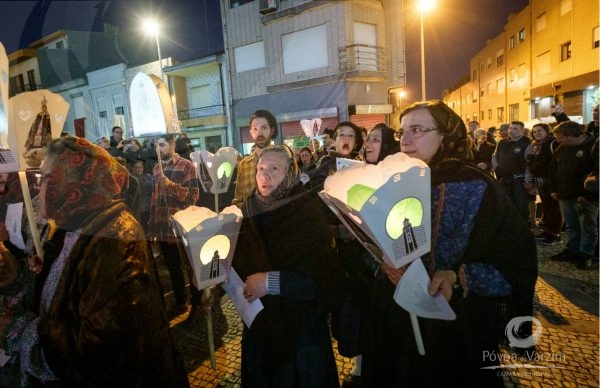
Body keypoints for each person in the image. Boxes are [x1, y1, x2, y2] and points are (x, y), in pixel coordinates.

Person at [360, 100, 537, 387]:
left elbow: (516, 261)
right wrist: (383, 262)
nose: (405, 139)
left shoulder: (478, 186)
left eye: (417, 129)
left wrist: (458, 276)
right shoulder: (393, 182)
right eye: (402, 131)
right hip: (397, 318)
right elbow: (376, 241)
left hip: (457, 326)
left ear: (446, 135)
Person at [15, 136, 190, 387]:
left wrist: (26, 332)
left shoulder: (116, 241)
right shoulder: (75, 224)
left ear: (71, 182)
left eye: (44, 178)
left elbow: (104, 353)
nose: (37, 188)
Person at [231, 145, 342, 387]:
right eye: (261, 169)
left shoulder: (307, 212)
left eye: (274, 169)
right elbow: (234, 262)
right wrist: (212, 279)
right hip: (261, 327)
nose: (265, 175)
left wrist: (271, 282)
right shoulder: (246, 212)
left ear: (291, 172)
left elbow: (323, 279)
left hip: (300, 334)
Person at [341, 122, 400, 388]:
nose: (368, 145)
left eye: (375, 139)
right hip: (361, 267)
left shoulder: (398, 176)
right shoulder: (359, 173)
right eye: (368, 140)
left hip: (389, 268)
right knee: (365, 323)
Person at [149, 133, 202, 322]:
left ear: (172, 145)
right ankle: (180, 302)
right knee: (173, 268)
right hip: (164, 228)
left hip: (183, 228)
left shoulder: (186, 166)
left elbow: (193, 196)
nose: (158, 149)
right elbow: (155, 199)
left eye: (162, 145)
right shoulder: (156, 168)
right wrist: (153, 227)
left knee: (191, 268)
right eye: (156, 146)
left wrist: (170, 185)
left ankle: (198, 306)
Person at [549, 121, 598, 269]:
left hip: (584, 197)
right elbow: (553, 169)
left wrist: (587, 195)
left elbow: (596, 173)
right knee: (571, 225)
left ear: (571, 136)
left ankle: (586, 254)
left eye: (561, 137)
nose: (558, 141)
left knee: (587, 226)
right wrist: (554, 189)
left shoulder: (593, 147)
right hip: (564, 194)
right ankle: (572, 250)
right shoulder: (562, 148)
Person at [524, 123, 563, 245]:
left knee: (554, 208)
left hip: (550, 181)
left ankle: (555, 234)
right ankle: (549, 231)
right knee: (546, 208)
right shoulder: (536, 145)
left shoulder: (553, 143)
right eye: (534, 132)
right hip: (540, 180)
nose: (537, 134)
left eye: (540, 131)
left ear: (547, 131)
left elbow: (551, 164)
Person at [232, 109, 278, 207]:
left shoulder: (281, 161)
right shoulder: (244, 165)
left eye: (264, 128)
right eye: (255, 129)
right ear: (251, 133)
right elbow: (238, 200)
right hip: (250, 219)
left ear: (272, 130)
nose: (259, 133)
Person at [308, 121, 364, 192]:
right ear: (333, 143)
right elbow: (316, 184)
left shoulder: (359, 162)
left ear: (355, 145)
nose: (346, 138)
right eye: (342, 134)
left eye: (351, 135)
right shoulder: (326, 161)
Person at [493, 120, 531, 222]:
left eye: (515, 129)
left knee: (521, 206)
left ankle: (523, 229)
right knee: (507, 205)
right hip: (504, 179)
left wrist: (528, 180)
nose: (511, 131)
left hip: (519, 180)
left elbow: (529, 163)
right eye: (510, 128)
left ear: (522, 130)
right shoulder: (502, 142)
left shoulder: (527, 142)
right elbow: (494, 157)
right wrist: (498, 169)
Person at [133, 159, 153, 232]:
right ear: (134, 168)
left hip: (147, 210)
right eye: (137, 167)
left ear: (143, 168)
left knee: (146, 229)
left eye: (140, 167)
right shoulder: (131, 178)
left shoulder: (149, 178)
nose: (139, 169)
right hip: (135, 210)